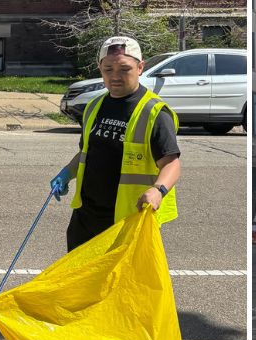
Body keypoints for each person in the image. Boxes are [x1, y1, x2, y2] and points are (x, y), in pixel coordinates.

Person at [49, 35, 181, 252]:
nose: (115, 76)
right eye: (108, 69)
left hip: (129, 219)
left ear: (140, 67)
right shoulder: (94, 106)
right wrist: (66, 173)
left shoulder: (154, 112)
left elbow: (171, 163)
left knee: (119, 284)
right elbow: (86, 152)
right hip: (86, 217)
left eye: (124, 69)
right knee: (80, 280)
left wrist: (158, 190)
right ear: (100, 68)